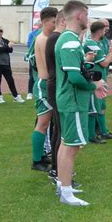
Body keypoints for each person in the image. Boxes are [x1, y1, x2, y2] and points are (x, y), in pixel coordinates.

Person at [55, 0, 106, 206]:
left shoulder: (70, 39)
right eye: (87, 14)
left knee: (67, 143)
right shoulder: (70, 41)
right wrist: (95, 85)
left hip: (70, 99)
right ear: (79, 16)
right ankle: (66, 193)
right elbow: (75, 78)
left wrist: (84, 62)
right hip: (73, 100)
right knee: (72, 145)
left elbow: (75, 70)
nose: (88, 18)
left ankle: (62, 184)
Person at [31, 7, 58, 172]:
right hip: (44, 84)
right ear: (44, 22)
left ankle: (41, 155)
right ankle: (36, 160)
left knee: (45, 123)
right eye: (53, 22)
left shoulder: (45, 37)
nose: (55, 25)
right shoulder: (43, 39)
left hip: (46, 83)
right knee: (42, 123)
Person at [45, 10, 66, 181]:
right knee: (60, 131)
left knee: (58, 129)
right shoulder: (56, 38)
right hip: (56, 88)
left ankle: (57, 168)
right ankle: (58, 170)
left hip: (55, 87)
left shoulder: (55, 38)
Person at [0, 26, 25, 104]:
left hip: (6, 64)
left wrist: (2, 46)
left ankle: (16, 96)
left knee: (10, 80)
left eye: (1, 31)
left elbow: (10, 50)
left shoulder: (5, 40)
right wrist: (6, 47)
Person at [26, 21, 42, 100]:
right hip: (34, 58)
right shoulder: (32, 34)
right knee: (32, 75)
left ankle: (39, 92)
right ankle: (29, 93)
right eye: (40, 25)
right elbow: (29, 44)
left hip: (42, 58)